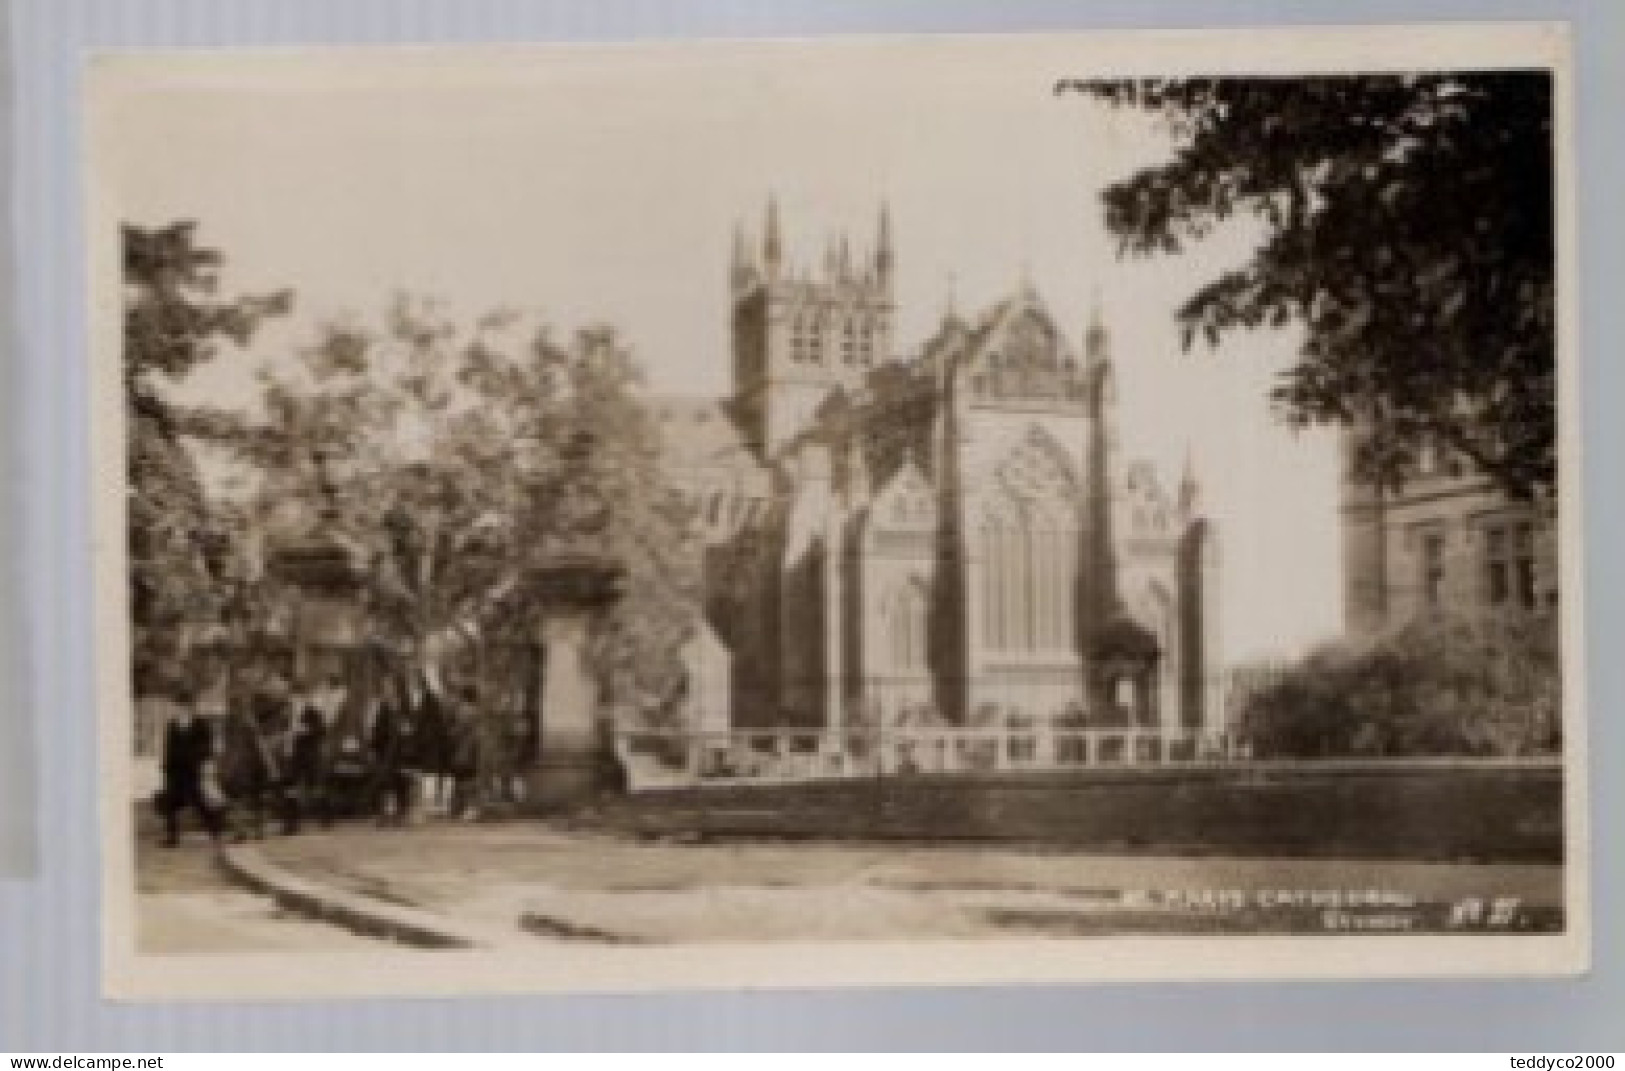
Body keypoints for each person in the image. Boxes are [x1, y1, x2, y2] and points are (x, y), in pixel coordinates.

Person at [159, 684, 222, 847]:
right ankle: (172, 838)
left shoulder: (201, 723)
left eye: (186, 705)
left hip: (193, 769)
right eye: (180, 705)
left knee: (200, 802)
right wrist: (165, 765)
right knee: (170, 803)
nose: (182, 708)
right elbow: (169, 746)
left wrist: (198, 759)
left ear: (192, 706)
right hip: (175, 770)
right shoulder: (173, 724)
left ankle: (215, 832)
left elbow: (207, 746)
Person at [280, 706, 328, 835]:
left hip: (308, 756)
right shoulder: (281, 712)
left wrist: (304, 730)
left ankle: (324, 816)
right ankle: (291, 822)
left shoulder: (311, 711)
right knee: (290, 789)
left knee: (315, 787)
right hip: (289, 755)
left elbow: (322, 730)